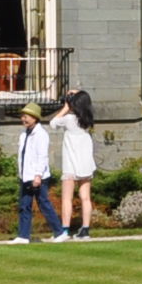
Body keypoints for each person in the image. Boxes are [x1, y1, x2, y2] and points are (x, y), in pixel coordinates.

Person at [13, 103, 56, 243]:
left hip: (38, 177)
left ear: (34, 118)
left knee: (44, 204)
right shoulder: (24, 134)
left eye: (26, 116)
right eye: (22, 116)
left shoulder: (41, 134)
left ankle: (59, 231)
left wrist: (38, 175)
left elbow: (42, 156)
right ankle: (23, 235)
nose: (23, 119)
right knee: (24, 206)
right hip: (26, 177)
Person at [54, 100, 96, 239]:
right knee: (85, 197)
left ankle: (65, 230)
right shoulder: (87, 120)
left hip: (71, 163)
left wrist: (65, 108)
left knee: (67, 198)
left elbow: (53, 123)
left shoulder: (69, 119)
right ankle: (85, 229)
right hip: (85, 163)